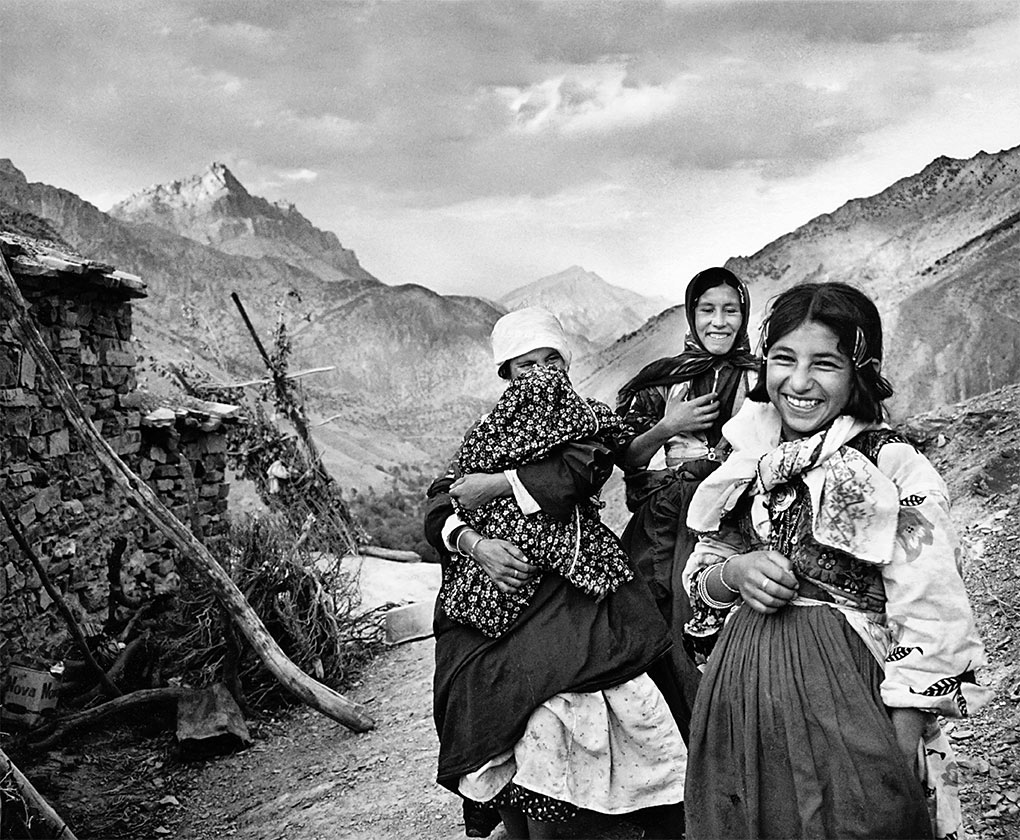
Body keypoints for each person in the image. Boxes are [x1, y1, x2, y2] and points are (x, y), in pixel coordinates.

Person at [681, 282, 990, 839]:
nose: (799, 382)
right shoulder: (748, 455)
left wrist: (898, 746)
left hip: (850, 695)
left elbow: (931, 612)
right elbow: (703, 572)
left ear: (859, 372)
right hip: (742, 698)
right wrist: (736, 574)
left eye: (824, 363)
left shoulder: (892, 467)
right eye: (783, 359)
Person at [426, 307, 687, 840]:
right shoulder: (488, 432)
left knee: (590, 676)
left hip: (574, 571)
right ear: (507, 375)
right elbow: (440, 499)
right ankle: (513, 819)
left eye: (552, 361)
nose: (542, 375)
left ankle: (622, 813)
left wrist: (666, 428)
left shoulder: (580, 420)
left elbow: (582, 469)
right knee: (476, 683)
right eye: (526, 366)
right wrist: (475, 544)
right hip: (497, 578)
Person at [616, 266, 758, 737]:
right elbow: (628, 460)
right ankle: (686, 739)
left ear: (743, 316)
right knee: (661, 624)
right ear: (692, 316)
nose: (719, 322)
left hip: (739, 512)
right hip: (669, 518)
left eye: (730, 311)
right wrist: (668, 426)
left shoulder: (762, 379)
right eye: (707, 310)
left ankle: (740, 735)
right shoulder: (665, 380)